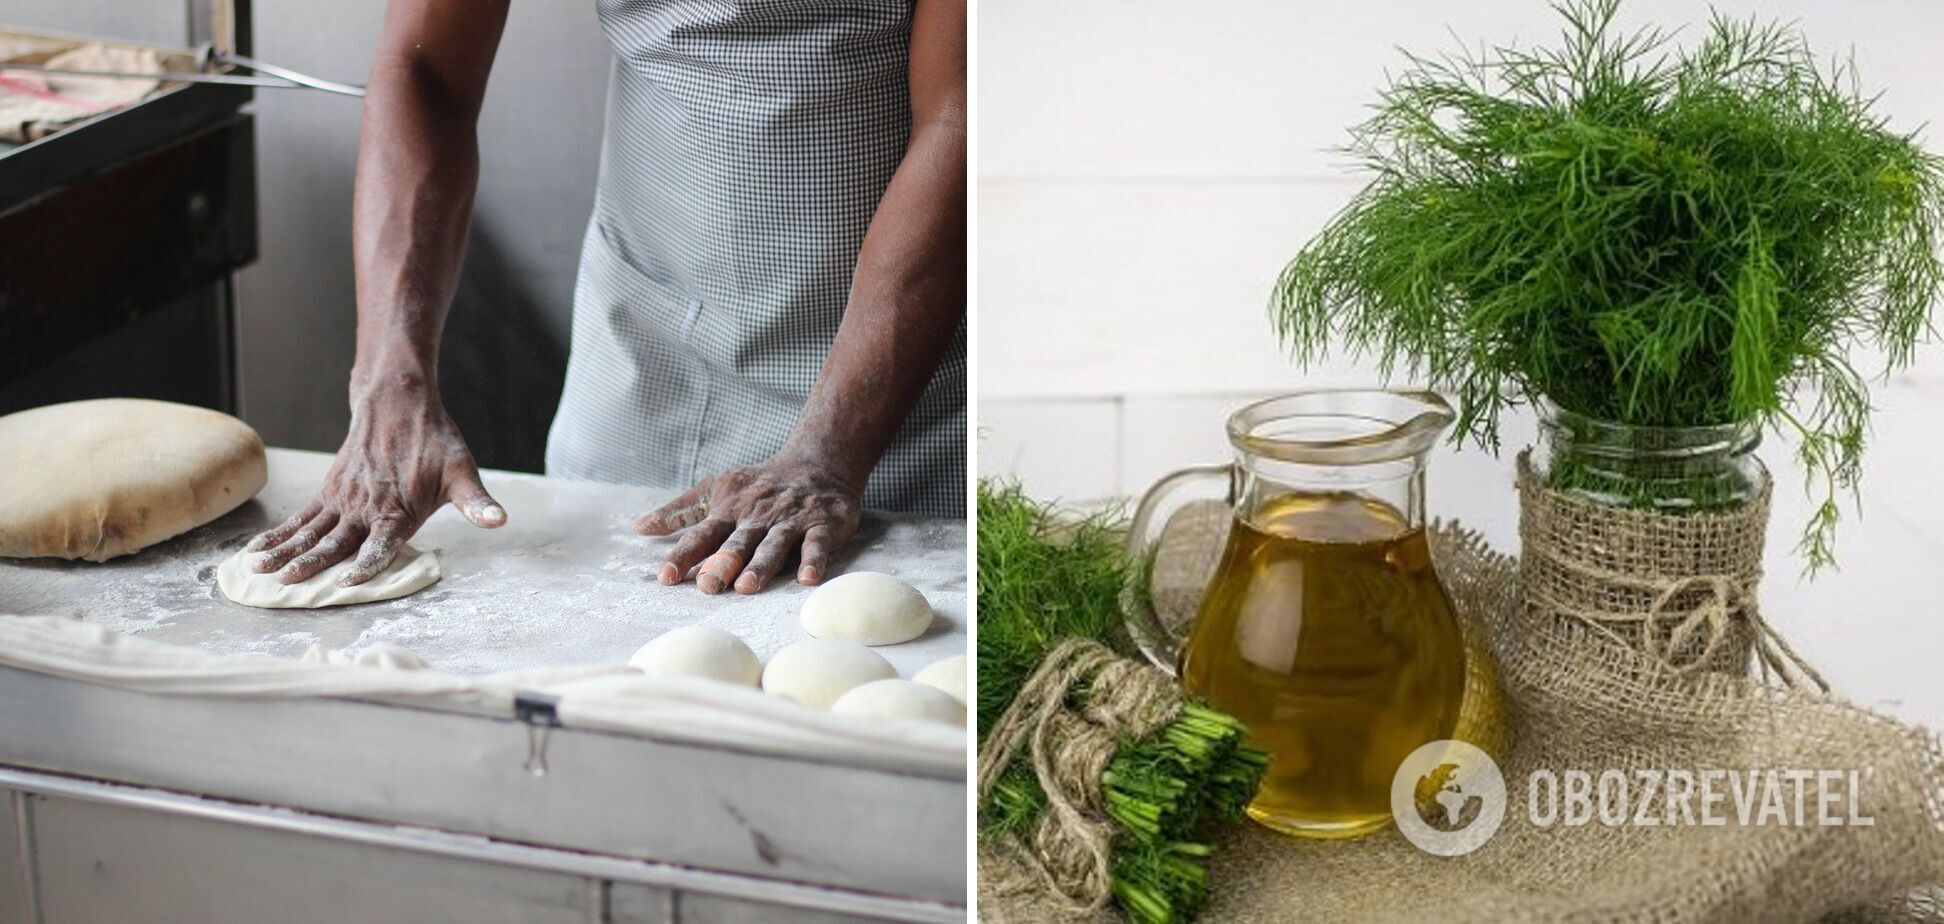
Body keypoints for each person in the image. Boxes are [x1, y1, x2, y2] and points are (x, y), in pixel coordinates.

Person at [244, 0, 966, 595]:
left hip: (892, 393)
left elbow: (959, 119)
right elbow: (425, 65)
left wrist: (832, 448)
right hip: (641, 365)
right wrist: (389, 377)